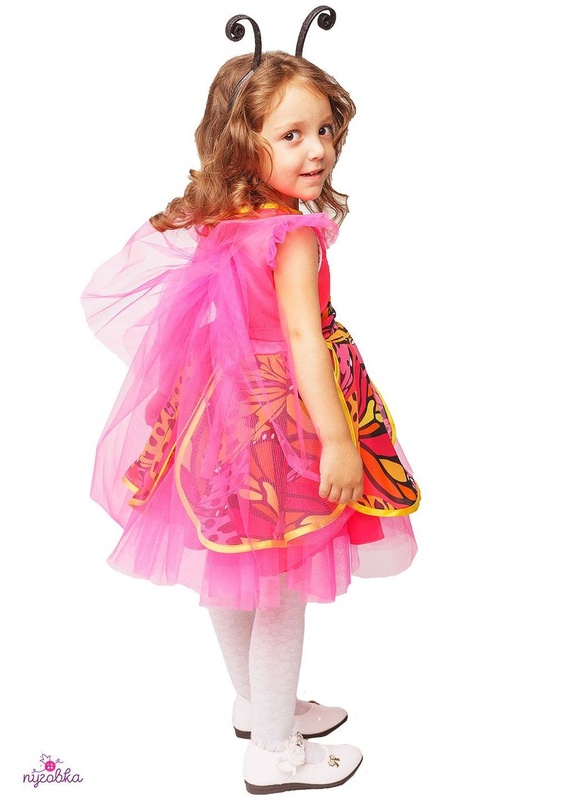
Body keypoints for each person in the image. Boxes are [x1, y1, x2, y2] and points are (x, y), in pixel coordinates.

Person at [81, 8, 421, 794]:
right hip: (284, 422)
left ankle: (255, 704)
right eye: (291, 135)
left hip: (218, 413)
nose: (317, 149)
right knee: (282, 586)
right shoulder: (292, 234)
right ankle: (275, 751)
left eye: (324, 129)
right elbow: (303, 339)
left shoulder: (222, 214)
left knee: (233, 566)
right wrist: (338, 441)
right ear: (244, 142)